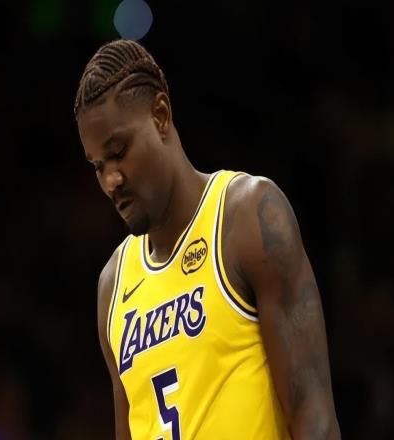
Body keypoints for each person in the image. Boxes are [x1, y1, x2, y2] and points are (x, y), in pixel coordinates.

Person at [74, 39, 341, 440]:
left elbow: (314, 418)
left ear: (160, 115)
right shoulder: (112, 285)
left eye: (119, 151)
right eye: (98, 166)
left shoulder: (247, 217)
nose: (111, 179)